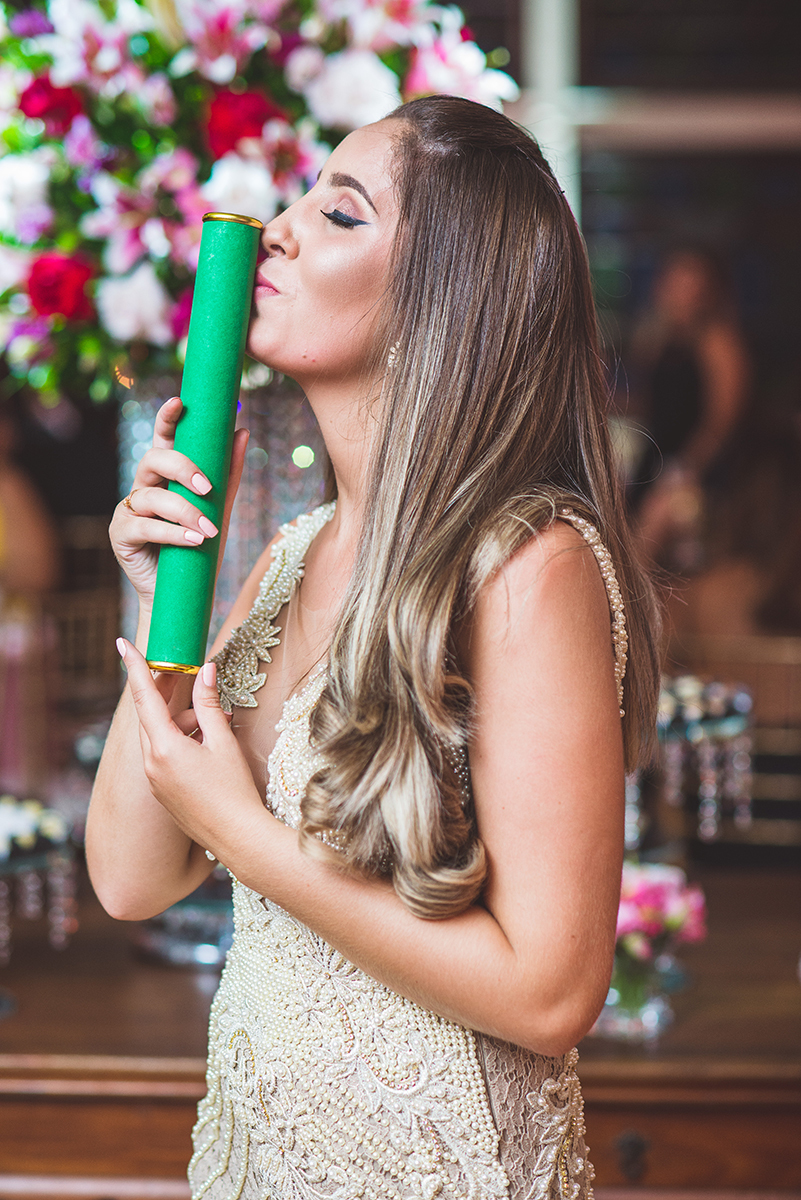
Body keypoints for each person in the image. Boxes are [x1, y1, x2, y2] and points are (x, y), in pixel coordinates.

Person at [87, 97, 660, 1199]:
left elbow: (553, 991)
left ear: (441, 301)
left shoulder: (529, 566)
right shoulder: (289, 560)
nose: (282, 227)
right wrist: (172, 606)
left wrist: (247, 843)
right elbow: (130, 876)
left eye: (339, 212)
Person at [627, 248, 750, 571]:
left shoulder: (718, 342)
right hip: (655, 460)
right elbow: (648, 408)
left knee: (649, 537)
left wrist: (685, 470)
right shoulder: (656, 338)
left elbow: (722, 423)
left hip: (698, 470)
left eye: (692, 286)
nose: (682, 294)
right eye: (676, 282)